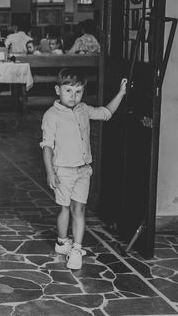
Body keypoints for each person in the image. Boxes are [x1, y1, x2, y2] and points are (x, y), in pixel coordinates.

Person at [40, 69, 127, 270]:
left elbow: (106, 113)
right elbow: (47, 147)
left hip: (83, 170)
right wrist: (50, 172)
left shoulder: (84, 109)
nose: (73, 96)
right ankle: (62, 242)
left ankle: (77, 249)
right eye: (68, 90)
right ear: (58, 90)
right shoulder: (51, 115)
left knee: (79, 209)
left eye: (78, 91)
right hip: (63, 171)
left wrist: (121, 93)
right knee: (65, 208)